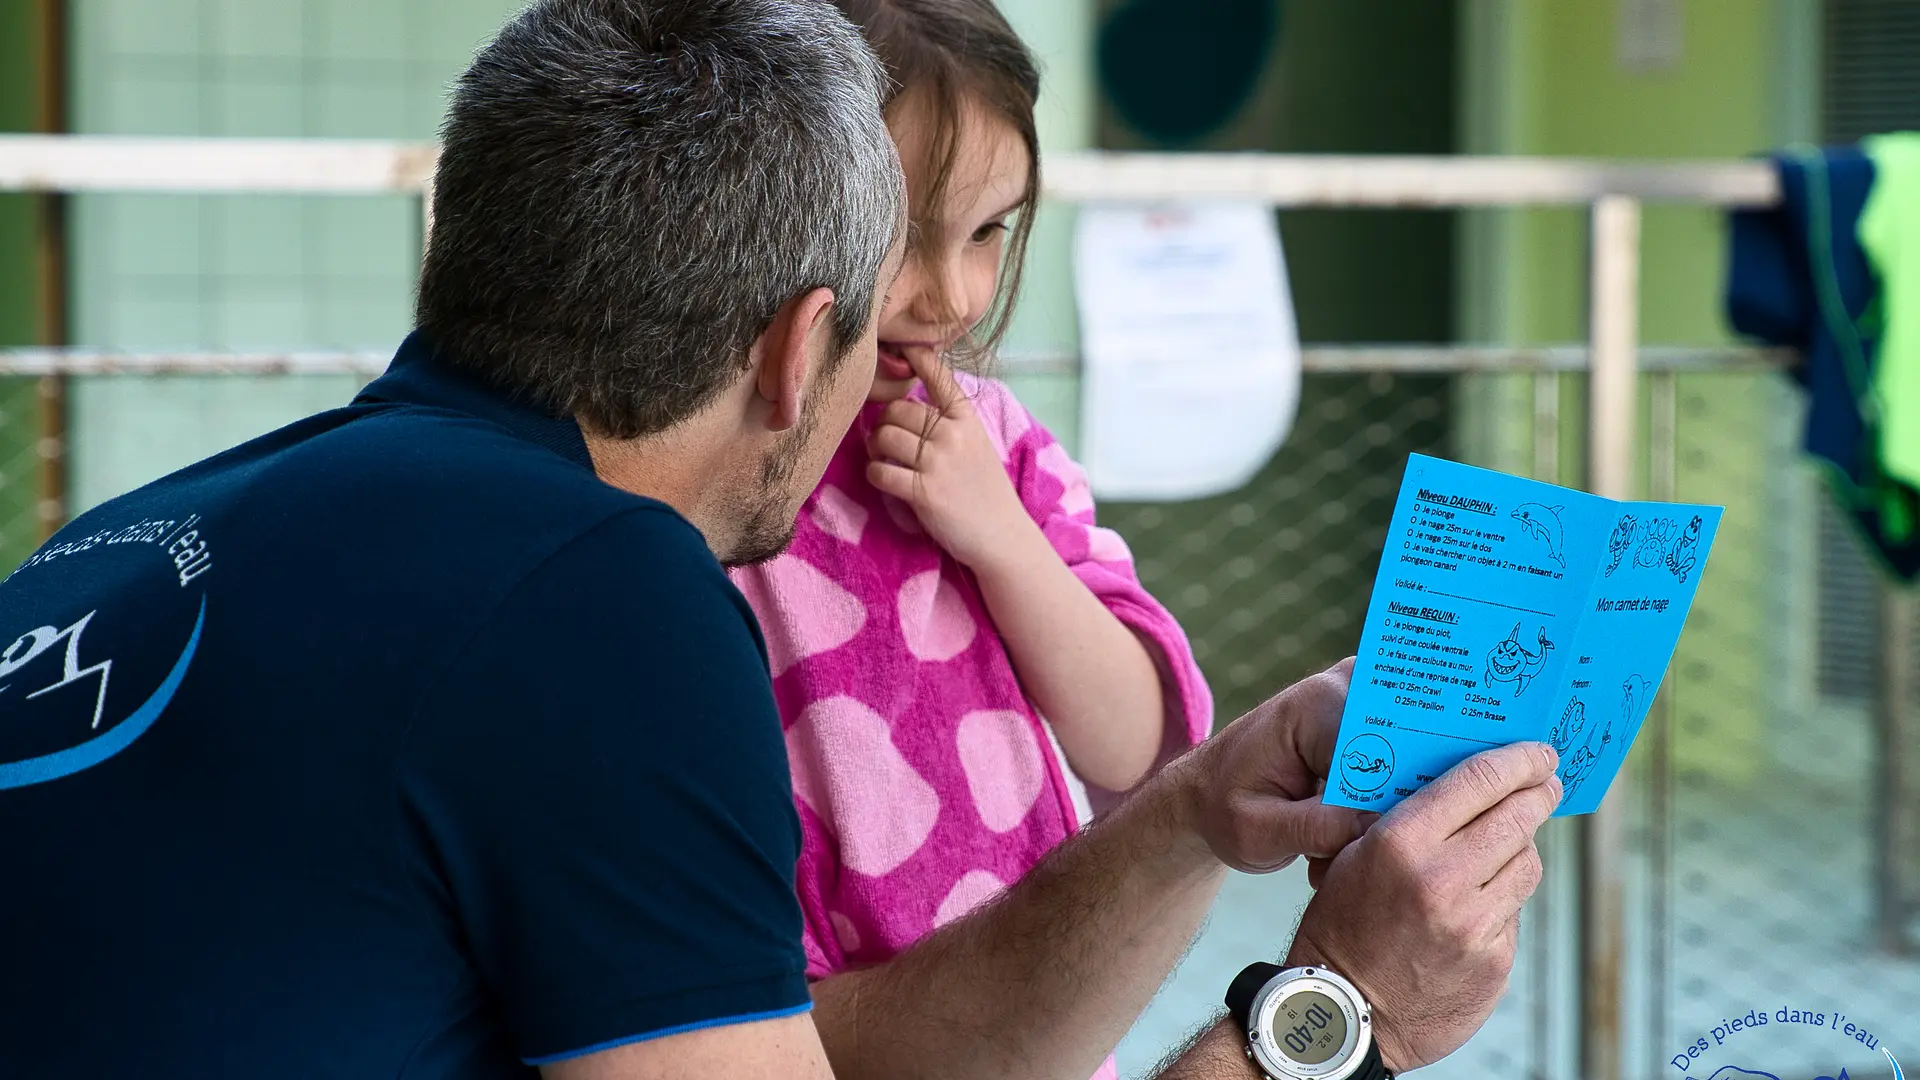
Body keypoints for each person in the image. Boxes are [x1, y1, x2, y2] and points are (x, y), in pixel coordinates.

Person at [0, 2, 1561, 1079]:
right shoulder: (595, 588)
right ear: (800, 341)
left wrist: (1192, 813)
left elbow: (789, 1048)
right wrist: (1339, 1012)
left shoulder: (120, 549)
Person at [730, 16, 1210, 1077]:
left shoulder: (998, 442)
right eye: (907, 239)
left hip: (1035, 1022)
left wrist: (1000, 535)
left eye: (991, 232)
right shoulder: (723, 463)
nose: (952, 294)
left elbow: (1140, 744)